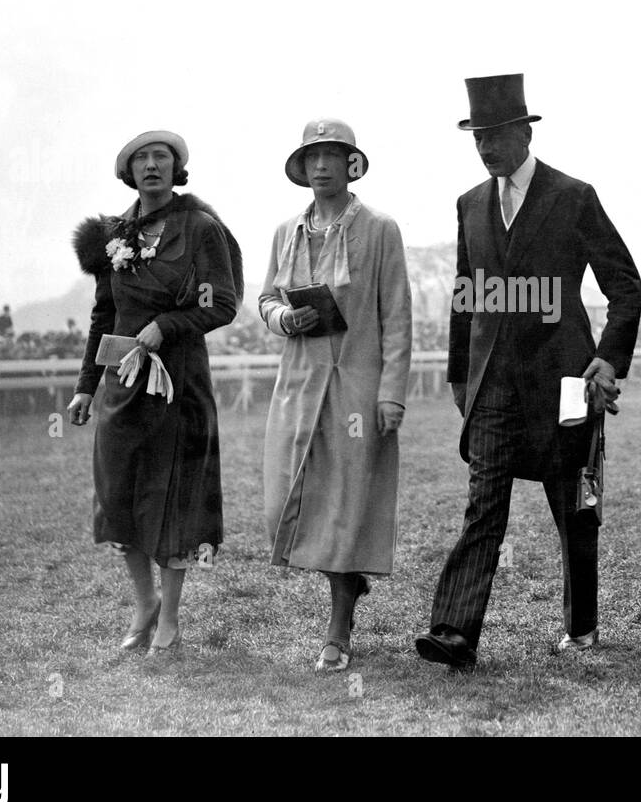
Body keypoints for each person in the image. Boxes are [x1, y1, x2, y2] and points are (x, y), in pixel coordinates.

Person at [416, 74, 641, 672]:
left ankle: (581, 627)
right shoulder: (469, 204)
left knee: (574, 506)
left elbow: (624, 283)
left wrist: (608, 358)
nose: (486, 147)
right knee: (483, 504)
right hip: (491, 386)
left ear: (523, 132)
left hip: (565, 382)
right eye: (477, 137)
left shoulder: (573, 195)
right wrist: (460, 377)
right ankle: (455, 632)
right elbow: (466, 297)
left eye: (494, 135)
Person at [68, 130, 242, 657]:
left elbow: (223, 304)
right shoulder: (115, 234)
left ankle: (170, 617)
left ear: (177, 168)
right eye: (140, 159)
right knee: (119, 495)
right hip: (123, 387)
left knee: (169, 501)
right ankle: (143, 607)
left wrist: (167, 325)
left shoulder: (200, 229)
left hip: (178, 385)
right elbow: (105, 315)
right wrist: (84, 389)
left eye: (160, 157)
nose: (150, 166)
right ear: (128, 172)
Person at [259, 118, 412, 673]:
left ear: (351, 163)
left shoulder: (380, 229)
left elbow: (396, 314)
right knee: (286, 503)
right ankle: (346, 579)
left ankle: (338, 625)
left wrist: (391, 392)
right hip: (297, 388)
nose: (321, 165)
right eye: (312, 156)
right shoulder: (286, 233)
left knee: (346, 505)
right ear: (301, 167)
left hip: (356, 389)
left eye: (333, 154)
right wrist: (284, 317)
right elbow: (266, 300)